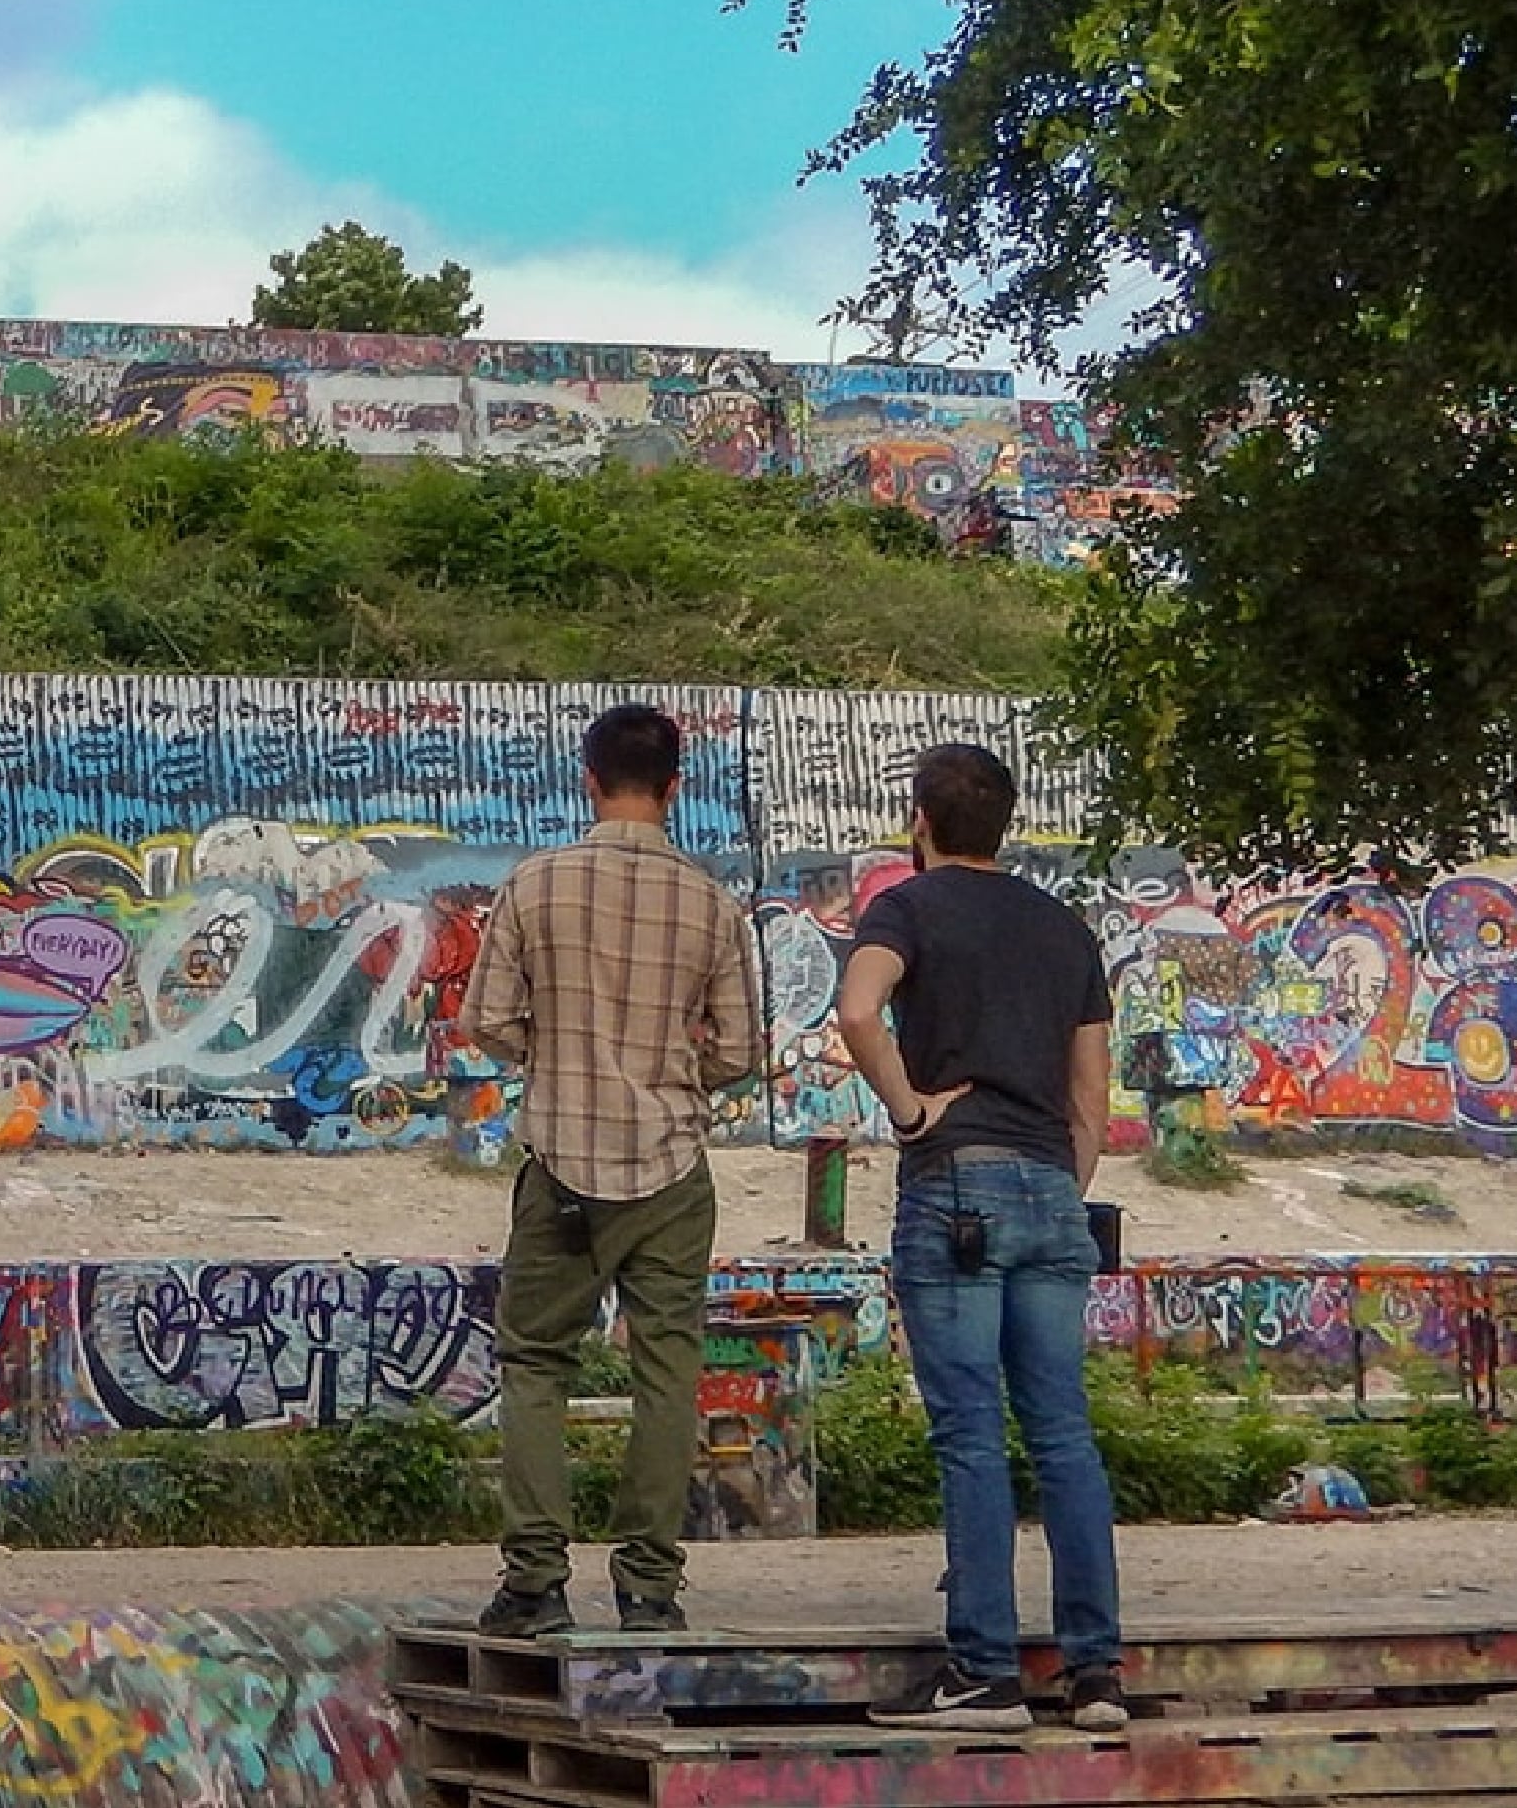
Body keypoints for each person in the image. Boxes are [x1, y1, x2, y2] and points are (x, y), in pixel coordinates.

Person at [832, 741, 1126, 1732]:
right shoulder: (1063, 928)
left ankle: (985, 1674)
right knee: (1065, 1437)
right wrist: (1055, 1183)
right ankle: (1096, 1678)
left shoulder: (905, 909)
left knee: (971, 1436)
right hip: (1052, 1185)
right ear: (1005, 821)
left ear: (919, 819)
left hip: (954, 1189)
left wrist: (912, 1111)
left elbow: (857, 1009)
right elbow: (1094, 1093)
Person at [460, 702, 763, 1637]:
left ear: (587, 779)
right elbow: (742, 1049)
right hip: (672, 1167)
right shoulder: (711, 899)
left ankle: (537, 1582)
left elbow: (490, 1023)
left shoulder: (536, 884)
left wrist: (559, 1053)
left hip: (561, 1159)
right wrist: (680, 1066)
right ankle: (647, 1588)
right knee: (667, 1368)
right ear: (676, 788)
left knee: (535, 1362)